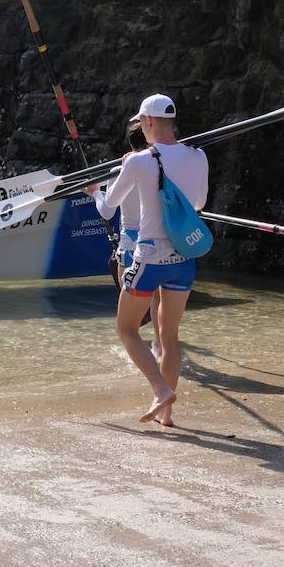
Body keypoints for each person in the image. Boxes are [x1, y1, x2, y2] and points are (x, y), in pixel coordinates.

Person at [87, 94, 208, 427]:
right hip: (184, 258)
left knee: (126, 329)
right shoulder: (199, 156)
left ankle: (160, 389)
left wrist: (95, 190)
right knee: (169, 337)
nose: (141, 127)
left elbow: (107, 208)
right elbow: (197, 202)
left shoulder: (137, 162)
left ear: (149, 122)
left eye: (141, 122)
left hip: (148, 259)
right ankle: (166, 414)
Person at [93, 117, 161, 357]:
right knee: (155, 297)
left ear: (130, 143)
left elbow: (106, 210)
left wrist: (95, 193)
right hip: (158, 238)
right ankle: (160, 347)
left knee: (129, 301)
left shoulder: (120, 170)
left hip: (131, 242)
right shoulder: (160, 164)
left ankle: (133, 351)